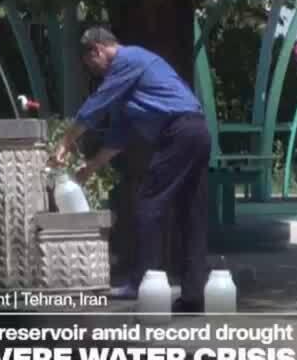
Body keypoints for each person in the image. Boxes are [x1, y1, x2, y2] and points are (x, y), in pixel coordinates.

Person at [51, 27, 211, 312]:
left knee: (149, 204)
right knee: (190, 212)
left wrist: (65, 141)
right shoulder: (131, 83)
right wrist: (92, 167)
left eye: (91, 64)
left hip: (180, 133)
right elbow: (119, 136)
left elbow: (96, 104)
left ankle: (143, 283)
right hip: (196, 131)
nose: (95, 72)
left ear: (97, 50)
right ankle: (193, 294)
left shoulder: (128, 61)